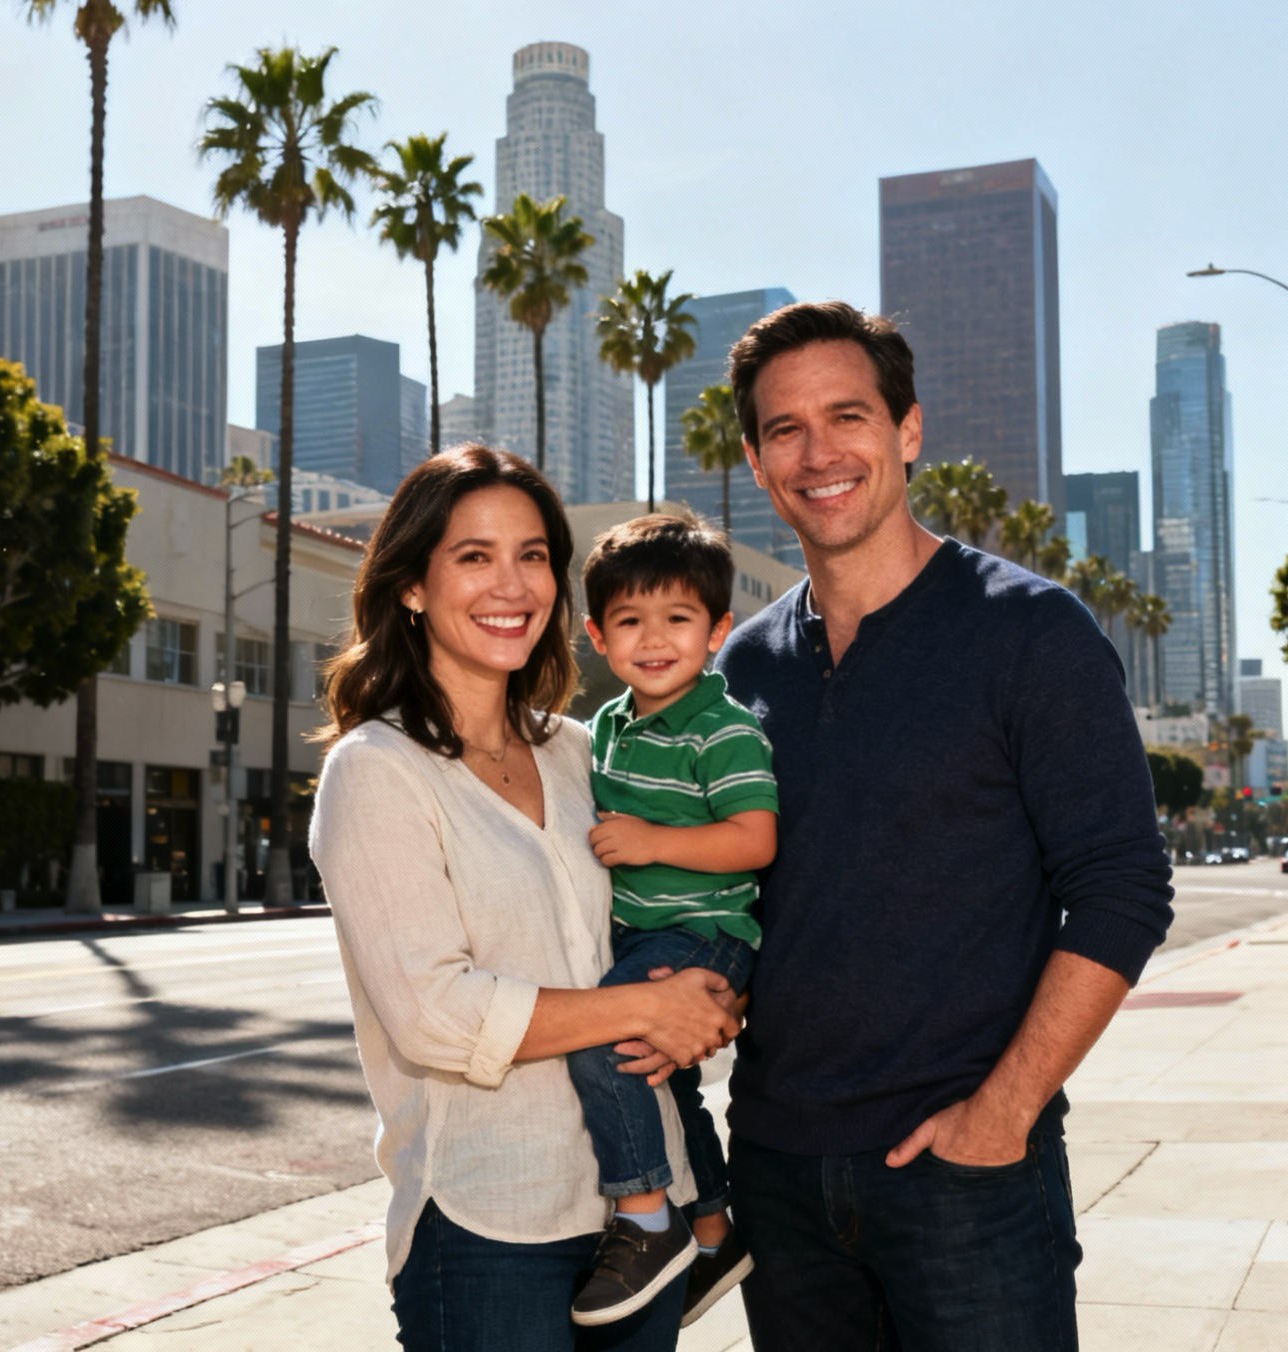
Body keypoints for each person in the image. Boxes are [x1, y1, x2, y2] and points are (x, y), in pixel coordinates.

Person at [711, 302, 1176, 1350]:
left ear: (908, 429)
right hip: (781, 1178)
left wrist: (1002, 1112)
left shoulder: (1028, 630)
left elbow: (1122, 886)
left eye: (847, 416)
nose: (818, 452)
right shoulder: (740, 669)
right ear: (753, 457)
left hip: (968, 1181)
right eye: (785, 428)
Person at [308, 446, 740, 1352]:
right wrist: (647, 1007)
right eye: (474, 556)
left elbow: (680, 901)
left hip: (642, 1225)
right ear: (413, 585)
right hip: (488, 1225)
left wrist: (714, 997)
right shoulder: (376, 771)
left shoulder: (584, 751)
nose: (512, 585)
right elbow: (435, 1016)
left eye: (533, 554)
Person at [568, 514, 778, 1329]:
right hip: (647, 933)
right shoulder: (610, 725)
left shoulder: (720, 728)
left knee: (604, 1039)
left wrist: (652, 839)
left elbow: (755, 840)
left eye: (678, 619)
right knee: (669, 1084)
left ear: (718, 629)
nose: (653, 639)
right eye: (629, 621)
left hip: (704, 933)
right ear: (597, 634)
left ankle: (647, 1216)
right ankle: (716, 1231)